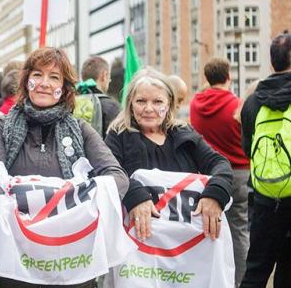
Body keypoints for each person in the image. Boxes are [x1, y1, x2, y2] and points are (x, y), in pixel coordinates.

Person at [0, 47, 129, 288]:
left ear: (64, 88)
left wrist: (75, 197)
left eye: (54, 77)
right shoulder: (1, 127)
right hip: (17, 268)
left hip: (72, 267)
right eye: (37, 75)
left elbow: (118, 178)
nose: (44, 83)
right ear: (26, 80)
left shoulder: (81, 130)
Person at [104, 69, 232, 243]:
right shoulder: (118, 136)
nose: (148, 108)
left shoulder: (184, 133)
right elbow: (108, 171)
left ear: (169, 103)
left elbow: (219, 163)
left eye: (157, 102)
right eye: (141, 101)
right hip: (138, 243)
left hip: (183, 242)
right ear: (130, 104)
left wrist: (215, 193)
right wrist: (135, 195)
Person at [189, 58, 249, 285]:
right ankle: (239, 281)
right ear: (229, 77)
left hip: (205, 176)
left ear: (206, 78)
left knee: (207, 230)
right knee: (239, 230)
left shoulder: (195, 104)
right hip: (238, 173)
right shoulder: (237, 104)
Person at [240, 32, 291, 288]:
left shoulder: (252, 102)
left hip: (263, 196)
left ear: (272, 63)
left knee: (256, 270)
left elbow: (248, 148)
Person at [74, 56, 121, 137]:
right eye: (109, 77)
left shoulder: (71, 101)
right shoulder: (111, 106)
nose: (110, 80)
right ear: (104, 75)